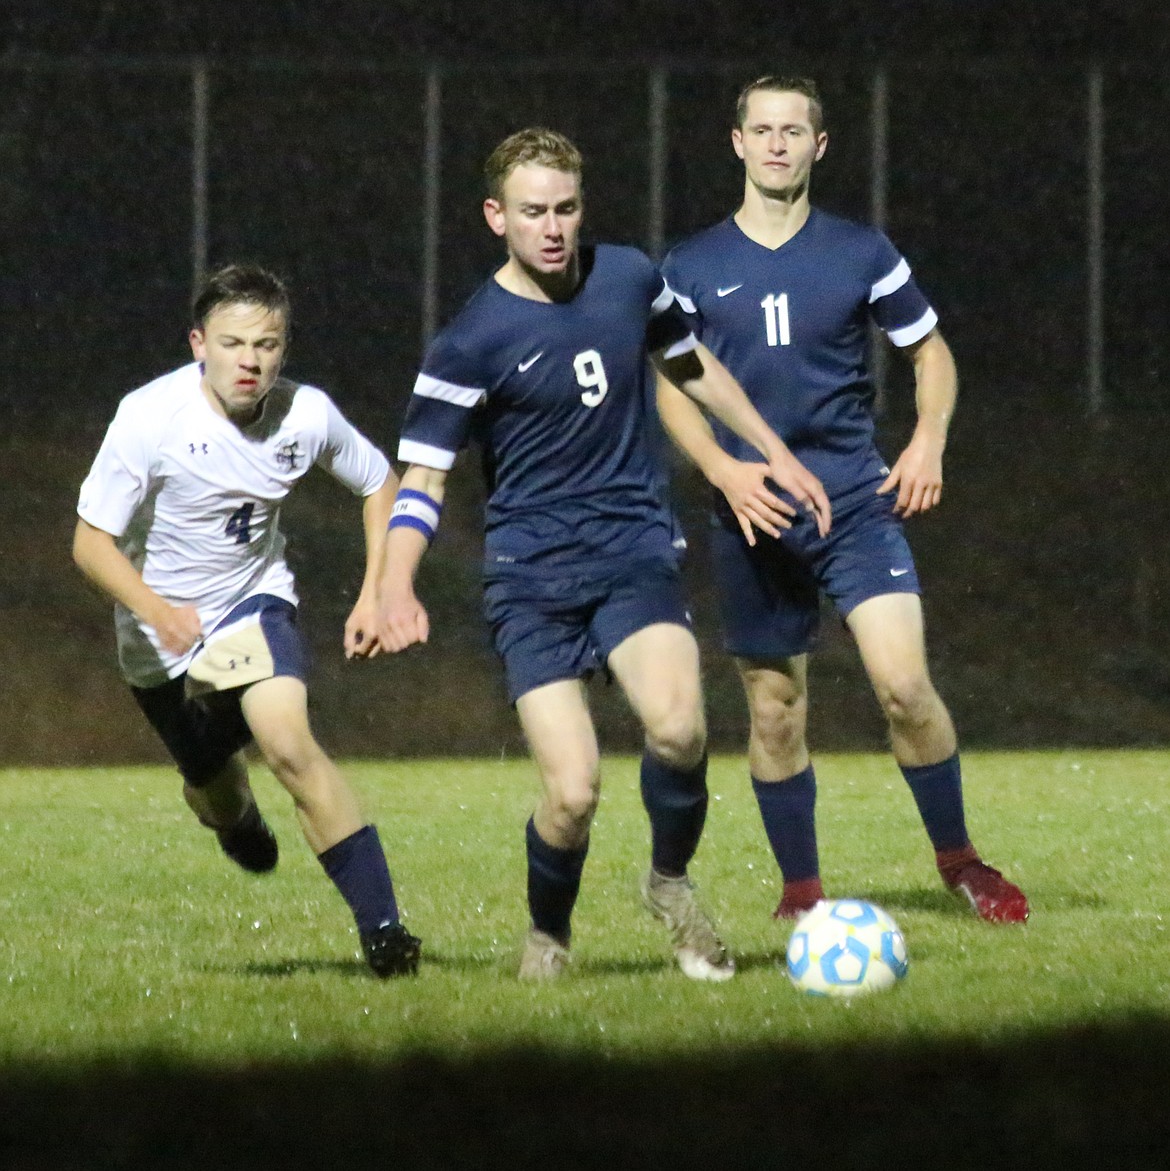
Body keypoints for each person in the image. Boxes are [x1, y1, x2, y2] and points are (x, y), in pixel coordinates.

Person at [375, 127, 830, 981]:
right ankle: (550, 931)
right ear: (495, 217)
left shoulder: (627, 277)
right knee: (573, 792)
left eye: (567, 208)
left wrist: (773, 447)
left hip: (631, 553)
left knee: (681, 727)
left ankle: (668, 883)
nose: (553, 227)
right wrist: (396, 583)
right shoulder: (469, 342)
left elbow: (693, 367)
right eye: (533, 212)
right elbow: (421, 481)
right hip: (532, 581)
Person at [657, 76, 1029, 924]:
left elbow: (930, 352)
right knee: (776, 709)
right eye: (764, 129)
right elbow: (674, 381)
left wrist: (928, 437)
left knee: (903, 685)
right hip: (754, 510)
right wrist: (721, 469)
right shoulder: (692, 264)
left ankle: (962, 860)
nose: (779, 142)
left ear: (820, 146)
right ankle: (802, 893)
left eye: (796, 130)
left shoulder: (861, 251)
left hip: (854, 501)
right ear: (737, 142)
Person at [73, 263, 421, 976]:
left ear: (283, 348)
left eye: (266, 344)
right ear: (199, 342)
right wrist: (156, 610)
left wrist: (374, 588)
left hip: (252, 603)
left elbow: (380, 481)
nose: (250, 360)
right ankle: (233, 816)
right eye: (233, 343)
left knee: (289, 742)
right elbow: (88, 543)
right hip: (157, 641)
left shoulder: (306, 414)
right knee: (215, 788)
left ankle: (386, 936)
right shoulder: (149, 417)